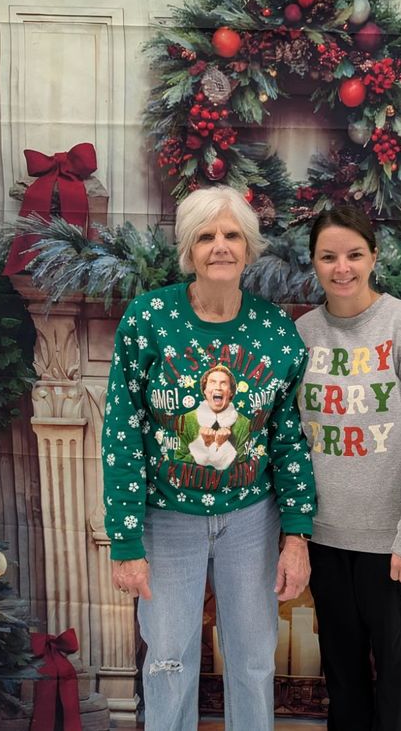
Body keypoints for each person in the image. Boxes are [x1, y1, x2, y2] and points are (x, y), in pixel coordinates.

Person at [101, 185, 316, 730]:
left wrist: (297, 534)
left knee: (252, 659)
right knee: (169, 657)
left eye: (231, 235)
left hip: (252, 519)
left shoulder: (276, 332)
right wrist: (125, 542)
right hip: (168, 519)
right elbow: (121, 433)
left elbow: (290, 439)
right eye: (205, 236)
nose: (220, 245)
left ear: (249, 246)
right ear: (188, 250)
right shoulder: (148, 319)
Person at [295, 206, 401, 731]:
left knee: (394, 677)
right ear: (313, 263)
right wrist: (293, 530)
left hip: (392, 545)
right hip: (323, 538)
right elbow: (289, 438)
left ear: (374, 257)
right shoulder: (300, 335)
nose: (342, 268)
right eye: (329, 257)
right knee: (341, 674)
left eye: (354, 255)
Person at [175, 364, 251, 468]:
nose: (218, 387)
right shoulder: (186, 420)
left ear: (231, 392)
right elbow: (179, 460)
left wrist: (221, 445)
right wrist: (205, 445)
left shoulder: (244, 424)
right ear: (205, 390)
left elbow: (243, 465)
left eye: (223, 383)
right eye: (213, 382)